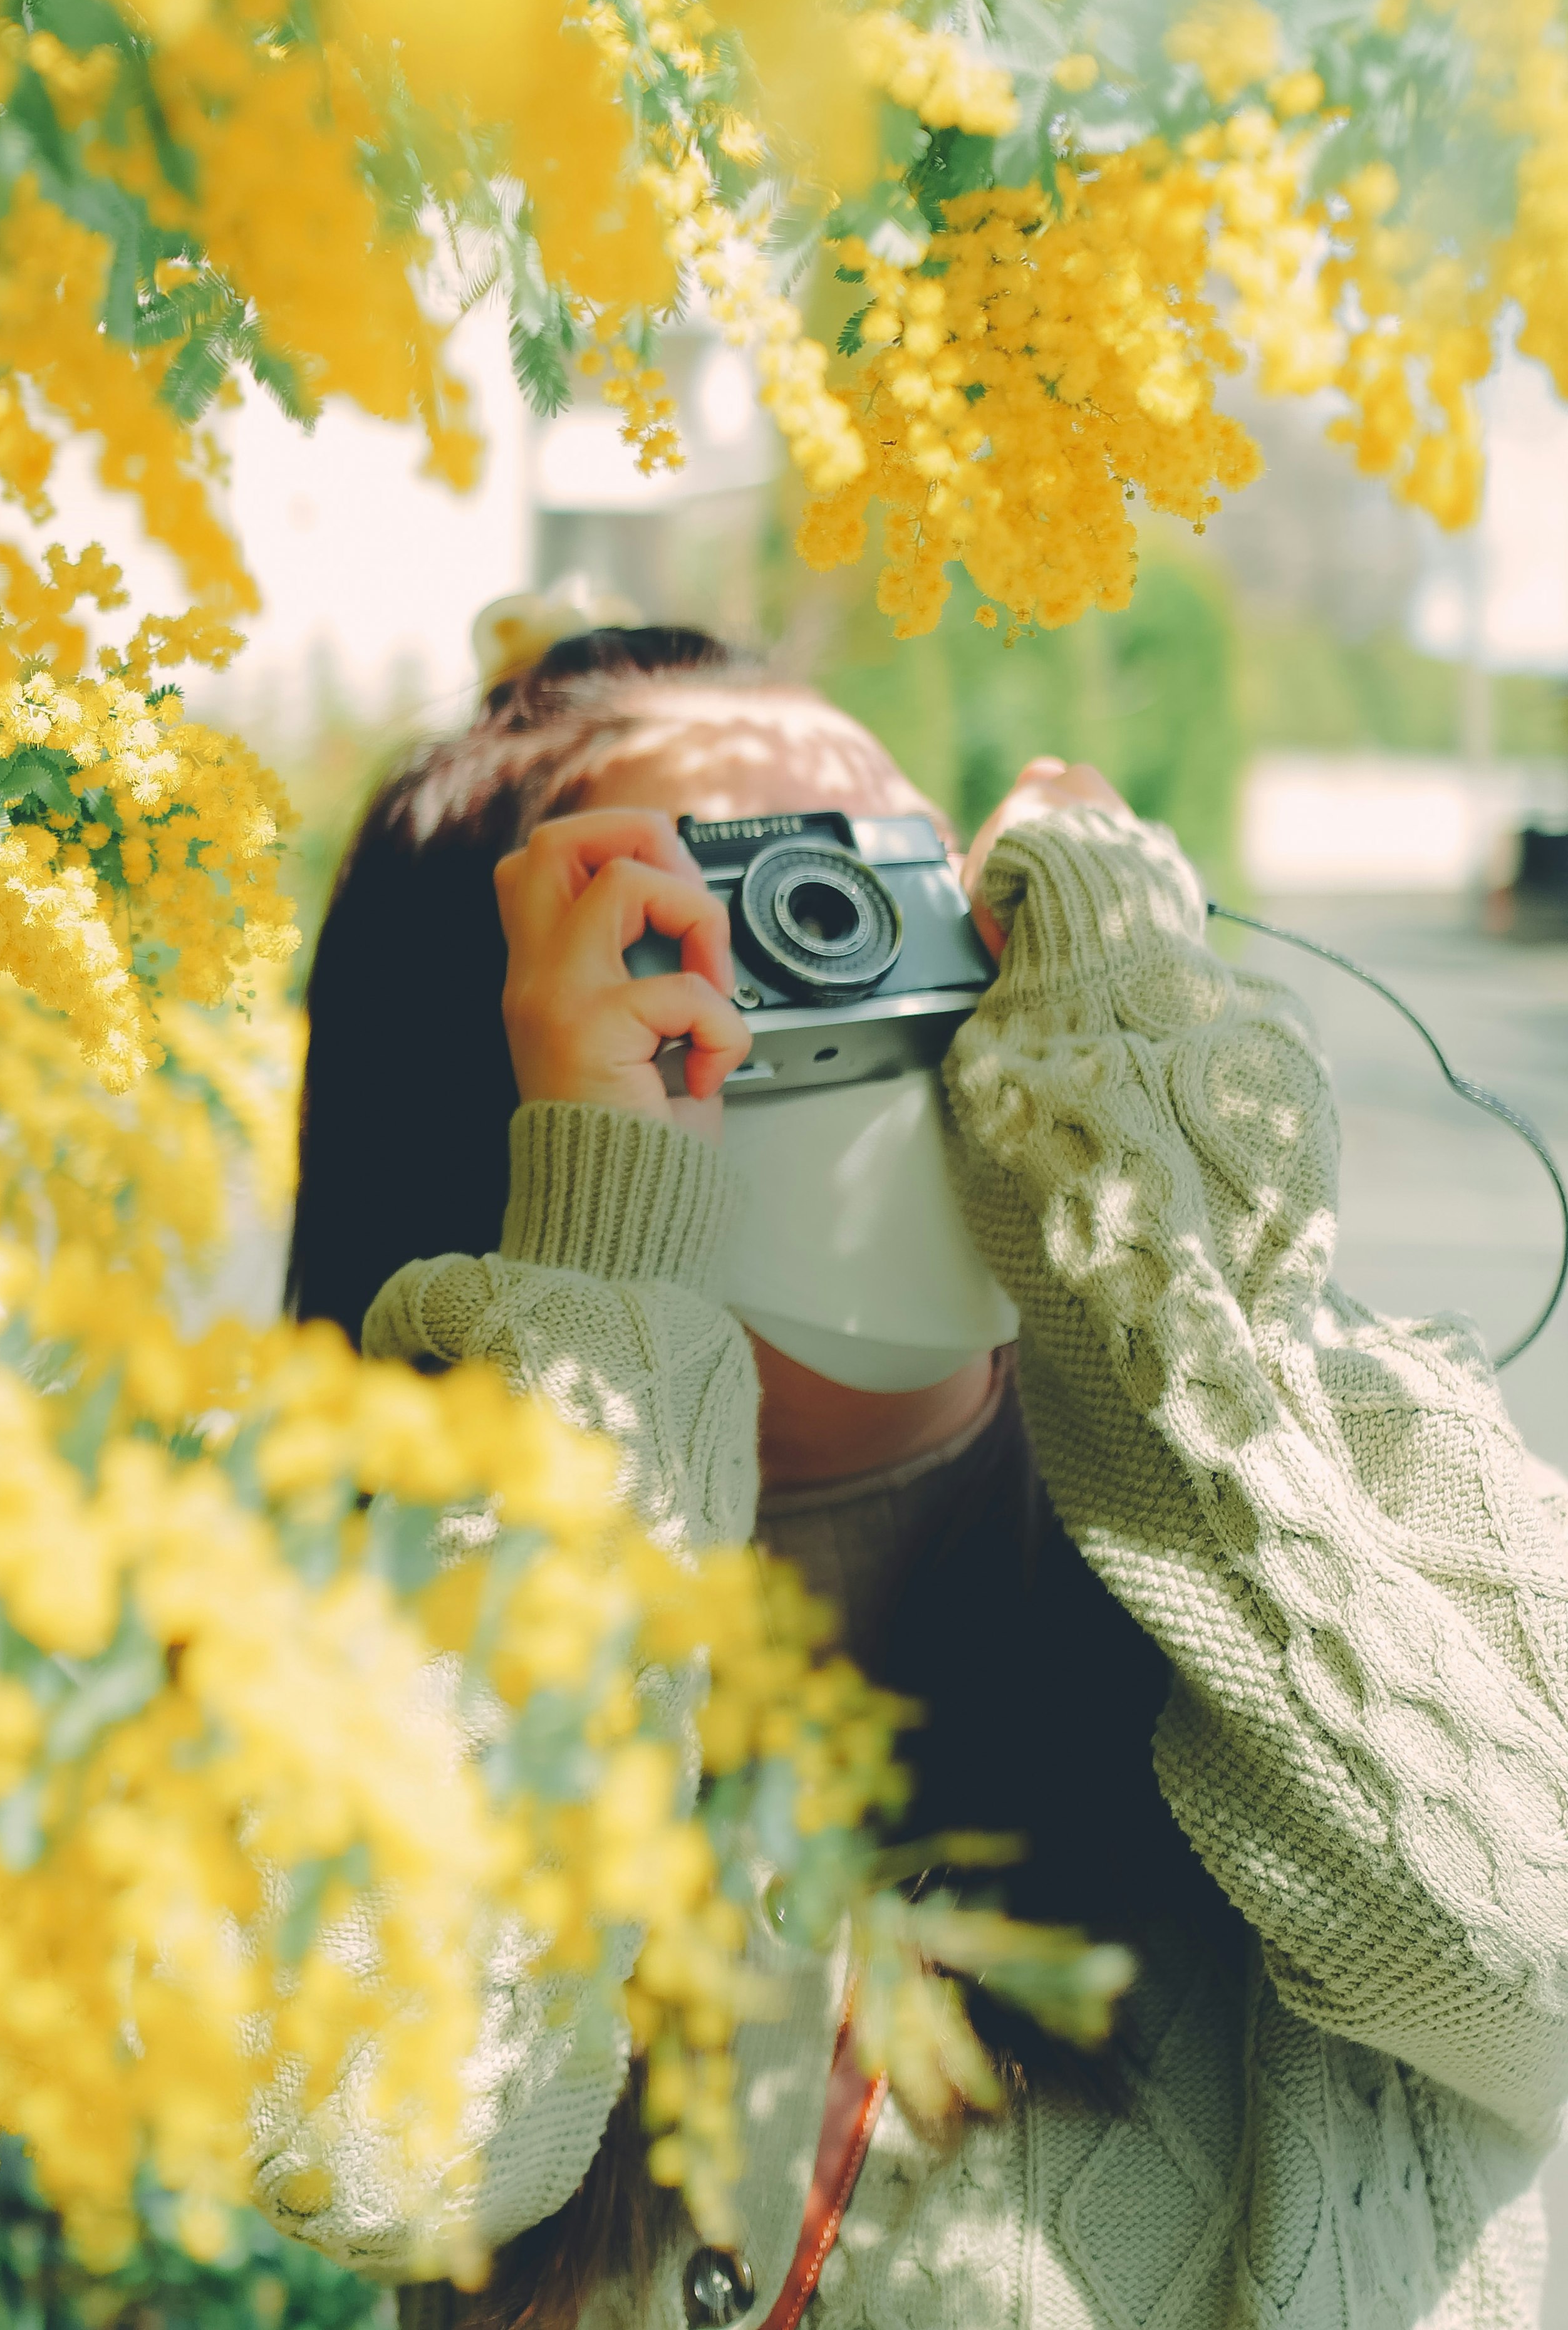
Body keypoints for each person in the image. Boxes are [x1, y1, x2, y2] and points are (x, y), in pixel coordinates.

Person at [261, 625, 1568, 2330]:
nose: (894, 981)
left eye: (915, 891)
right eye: (723, 918)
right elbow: (377, 2139)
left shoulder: (1365, 1467)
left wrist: (1156, 1263)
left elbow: (1523, 1952)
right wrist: (600, 1306)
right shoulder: (425, 1612)